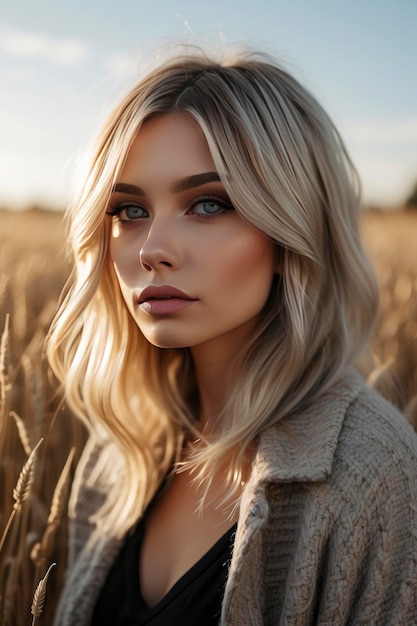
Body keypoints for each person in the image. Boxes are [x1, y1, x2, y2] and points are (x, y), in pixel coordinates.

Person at [47, 44, 417, 625]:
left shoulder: (370, 470)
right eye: (129, 211)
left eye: (209, 204)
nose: (153, 250)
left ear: (291, 229)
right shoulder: (117, 450)